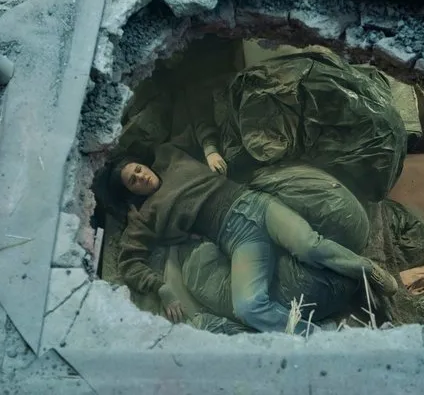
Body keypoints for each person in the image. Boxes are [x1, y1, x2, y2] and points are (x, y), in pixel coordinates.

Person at [113, 140, 398, 334]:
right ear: (130, 191)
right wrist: (160, 288)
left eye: (138, 169)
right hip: (236, 238)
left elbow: (197, 123)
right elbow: (129, 261)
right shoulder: (145, 216)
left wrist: (210, 149)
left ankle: (366, 269)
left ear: (143, 164)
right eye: (133, 181)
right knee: (247, 307)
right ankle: (317, 336)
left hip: (255, 204)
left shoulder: (168, 155)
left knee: (308, 246)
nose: (141, 176)